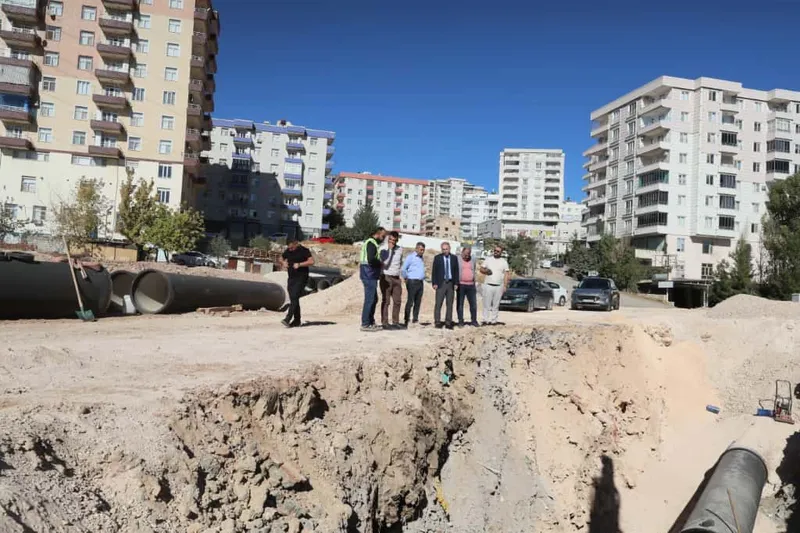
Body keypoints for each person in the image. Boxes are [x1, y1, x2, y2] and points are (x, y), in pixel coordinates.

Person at [280, 239, 314, 328]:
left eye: (291, 248)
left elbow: (311, 261)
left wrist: (299, 264)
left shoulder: (304, 251)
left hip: (301, 278)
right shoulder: (288, 250)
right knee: (294, 299)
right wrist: (283, 262)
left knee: (295, 296)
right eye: (289, 248)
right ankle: (297, 320)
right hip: (291, 278)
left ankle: (288, 318)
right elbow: (281, 257)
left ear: (296, 244)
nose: (290, 250)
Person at [359, 227, 386, 332]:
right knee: (370, 299)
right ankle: (365, 324)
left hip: (370, 275)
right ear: (378, 234)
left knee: (374, 299)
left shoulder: (372, 243)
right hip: (368, 274)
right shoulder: (371, 243)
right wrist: (380, 263)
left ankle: (370, 322)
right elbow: (371, 259)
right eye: (383, 236)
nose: (383, 238)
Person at [431, 242, 459, 329]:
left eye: (446, 249)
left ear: (449, 248)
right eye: (443, 249)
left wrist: (456, 283)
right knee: (438, 303)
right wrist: (434, 283)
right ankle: (437, 322)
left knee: (449, 304)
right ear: (441, 249)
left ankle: (448, 322)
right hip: (441, 283)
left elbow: (456, 271)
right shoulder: (437, 258)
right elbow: (434, 271)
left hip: (450, 283)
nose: (445, 251)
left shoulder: (454, 258)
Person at [480, 244, 510, 325]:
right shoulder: (488, 259)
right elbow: (481, 269)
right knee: (486, 304)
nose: (496, 252)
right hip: (488, 285)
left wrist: (505, 285)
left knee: (496, 305)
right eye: (495, 251)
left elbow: (506, 274)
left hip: (499, 286)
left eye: (498, 251)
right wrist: (486, 271)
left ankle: (494, 320)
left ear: (501, 252)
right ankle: (485, 320)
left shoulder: (504, 262)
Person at [379, 231, 403, 329]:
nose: (392, 242)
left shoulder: (400, 249)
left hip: (396, 277)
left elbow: (400, 262)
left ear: (397, 240)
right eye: (390, 240)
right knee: (386, 301)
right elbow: (385, 263)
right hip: (386, 277)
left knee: (397, 301)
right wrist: (390, 250)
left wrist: (400, 274)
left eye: (394, 240)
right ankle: (385, 322)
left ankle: (395, 322)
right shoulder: (383, 249)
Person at [401, 241, 426, 326]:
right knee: (410, 301)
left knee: (418, 301)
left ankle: (415, 319)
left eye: (423, 250)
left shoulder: (421, 258)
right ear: (416, 248)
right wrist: (406, 278)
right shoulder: (410, 257)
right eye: (420, 249)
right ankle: (406, 319)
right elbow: (404, 269)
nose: (422, 251)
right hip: (412, 281)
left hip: (420, 282)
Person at [456, 245, 479, 327]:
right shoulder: (457, 259)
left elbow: (474, 269)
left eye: (468, 254)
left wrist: (474, 281)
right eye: (465, 254)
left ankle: (474, 320)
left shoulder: (473, 259)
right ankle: (460, 321)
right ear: (462, 252)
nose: (466, 256)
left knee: (473, 304)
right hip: (461, 284)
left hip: (471, 285)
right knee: (460, 304)